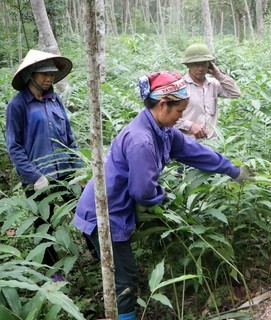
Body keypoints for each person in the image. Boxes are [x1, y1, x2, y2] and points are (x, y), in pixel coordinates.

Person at [74, 71, 252, 320]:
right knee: (123, 279)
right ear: (162, 105)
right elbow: (142, 191)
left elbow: (195, 152)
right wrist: (163, 197)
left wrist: (232, 170)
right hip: (105, 213)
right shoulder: (142, 140)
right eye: (180, 111)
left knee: (117, 274)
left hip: (117, 208)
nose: (182, 116)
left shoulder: (163, 129)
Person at [6, 49, 82, 281]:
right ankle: (54, 271)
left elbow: (69, 136)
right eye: (43, 74)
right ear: (30, 74)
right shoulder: (18, 105)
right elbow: (14, 146)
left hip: (66, 173)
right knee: (44, 225)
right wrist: (34, 175)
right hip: (38, 179)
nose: (48, 79)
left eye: (51, 74)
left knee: (84, 212)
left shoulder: (54, 100)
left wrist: (80, 166)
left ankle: (99, 256)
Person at [175, 43, 241, 140]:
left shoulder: (213, 84)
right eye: (196, 64)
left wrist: (218, 74)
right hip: (188, 143)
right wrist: (189, 125)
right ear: (188, 65)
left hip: (212, 143)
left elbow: (235, 93)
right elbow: (166, 118)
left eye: (204, 63)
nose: (201, 68)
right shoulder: (179, 86)